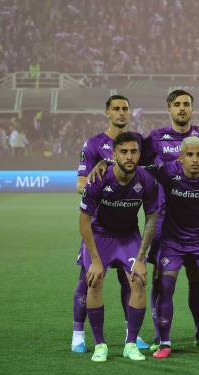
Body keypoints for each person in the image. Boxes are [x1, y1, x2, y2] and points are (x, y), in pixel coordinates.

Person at [141, 89, 199, 350]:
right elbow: (134, 162)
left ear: (192, 109)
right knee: (160, 277)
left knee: (196, 274)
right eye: (177, 104)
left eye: (186, 104)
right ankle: (159, 335)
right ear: (169, 108)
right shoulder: (154, 138)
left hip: (195, 219)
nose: (182, 108)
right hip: (162, 219)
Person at [72, 95, 149, 352]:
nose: (121, 112)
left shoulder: (137, 142)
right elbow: (80, 184)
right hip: (99, 226)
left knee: (131, 281)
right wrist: (102, 178)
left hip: (127, 226)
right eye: (116, 109)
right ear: (107, 112)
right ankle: (78, 334)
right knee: (89, 279)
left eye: (125, 108)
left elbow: (144, 170)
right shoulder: (93, 144)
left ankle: (132, 335)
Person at [148, 136, 199, 359]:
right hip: (172, 241)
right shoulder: (167, 172)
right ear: (181, 157)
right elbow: (135, 168)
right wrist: (103, 164)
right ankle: (164, 342)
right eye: (189, 155)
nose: (194, 160)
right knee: (165, 289)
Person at [78, 132, 157, 362]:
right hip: (100, 236)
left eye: (133, 151)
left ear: (139, 154)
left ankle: (130, 343)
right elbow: (84, 221)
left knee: (139, 281)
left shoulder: (146, 180)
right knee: (94, 281)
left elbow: (151, 217)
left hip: (128, 237)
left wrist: (141, 258)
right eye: (124, 152)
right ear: (114, 154)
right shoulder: (98, 179)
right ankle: (100, 345)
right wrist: (94, 259)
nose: (129, 156)